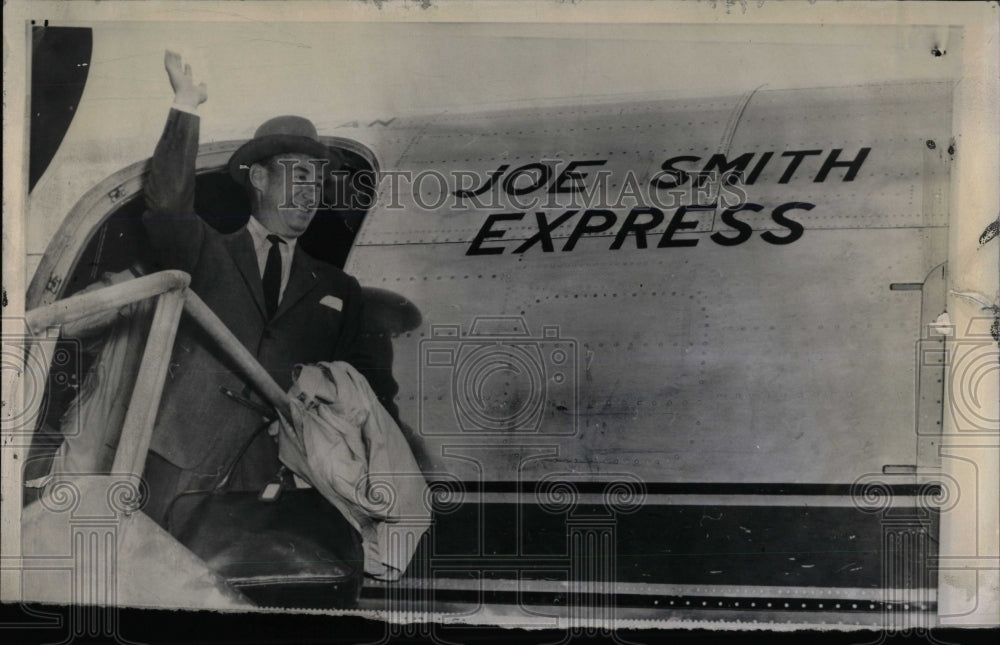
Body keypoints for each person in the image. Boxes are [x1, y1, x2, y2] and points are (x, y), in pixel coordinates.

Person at [140, 51, 394, 527]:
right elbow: (167, 204)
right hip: (182, 459)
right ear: (258, 178)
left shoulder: (338, 287)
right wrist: (185, 107)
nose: (310, 193)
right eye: (298, 176)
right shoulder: (205, 251)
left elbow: (370, 390)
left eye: (317, 181)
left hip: (279, 473)